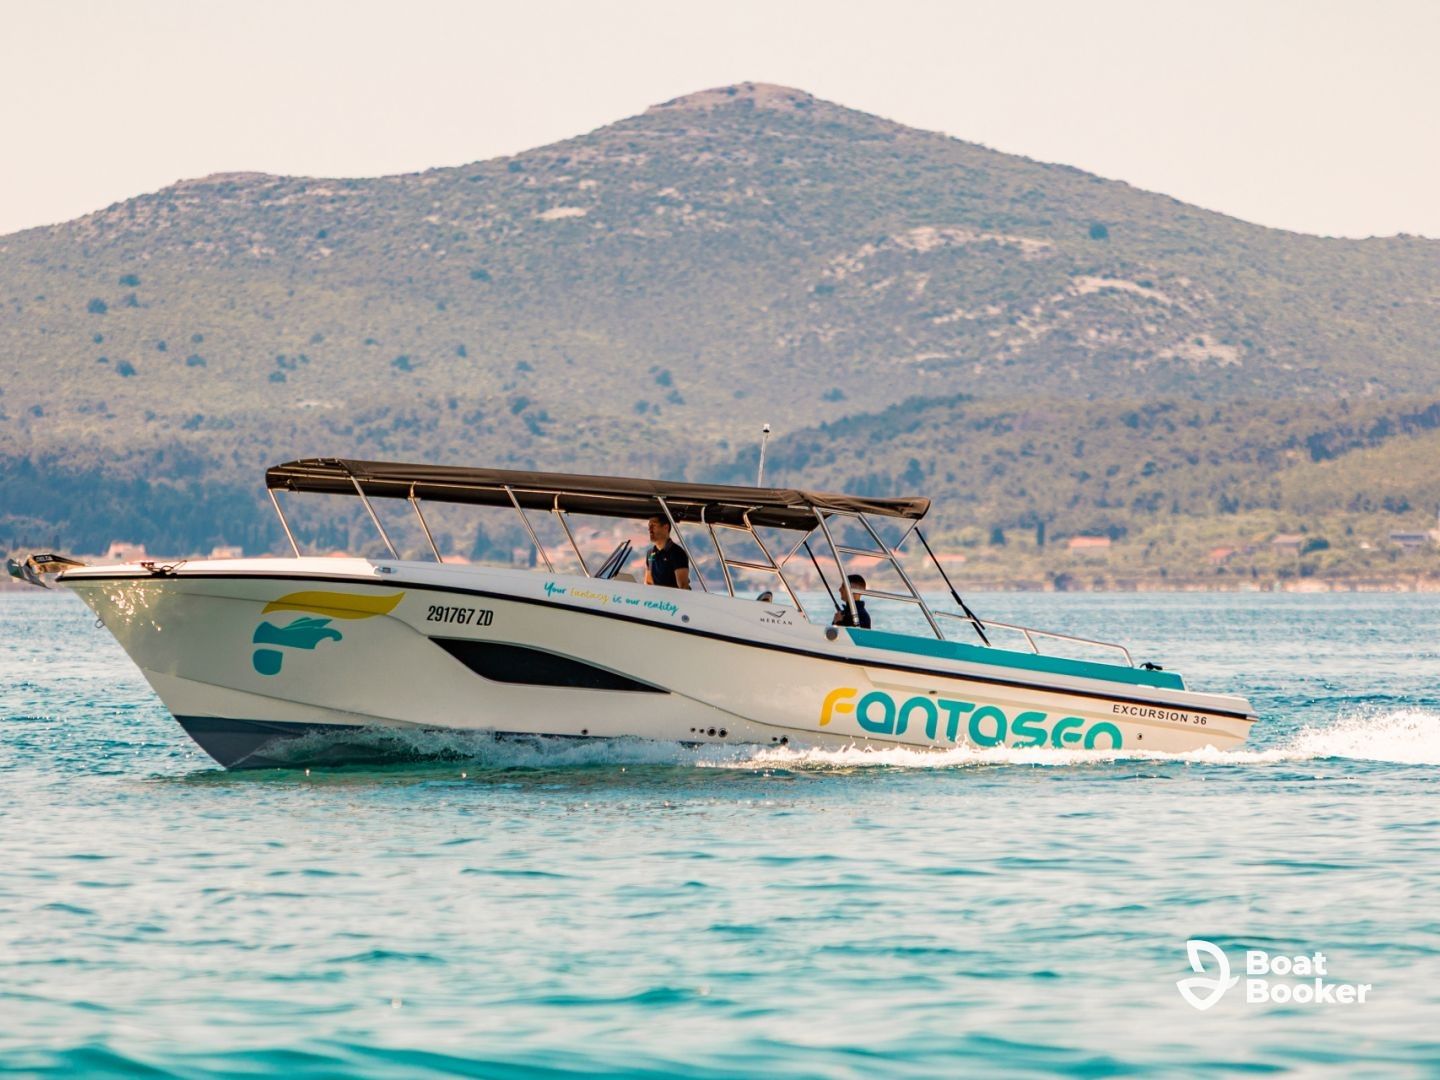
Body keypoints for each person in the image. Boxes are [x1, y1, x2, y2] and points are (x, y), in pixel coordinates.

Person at [644, 516, 691, 590]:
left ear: (666, 527)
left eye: (653, 525)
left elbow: (683, 586)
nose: (650, 529)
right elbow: (648, 582)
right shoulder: (650, 553)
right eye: (649, 526)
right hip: (656, 596)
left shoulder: (677, 553)